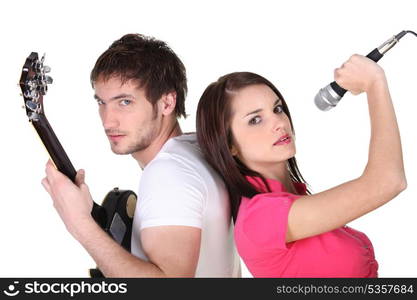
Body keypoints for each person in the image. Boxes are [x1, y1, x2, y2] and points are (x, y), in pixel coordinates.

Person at [41, 33, 240, 277]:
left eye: (124, 102)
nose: (108, 120)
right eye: (101, 103)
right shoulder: (198, 146)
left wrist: (79, 222)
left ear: (167, 103)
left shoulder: (168, 172)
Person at [196, 55, 407, 277]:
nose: (279, 123)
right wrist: (375, 83)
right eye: (255, 120)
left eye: (277, 109)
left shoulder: (295, 197)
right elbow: (388, 181)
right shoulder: (260, 218)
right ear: (229, 145)